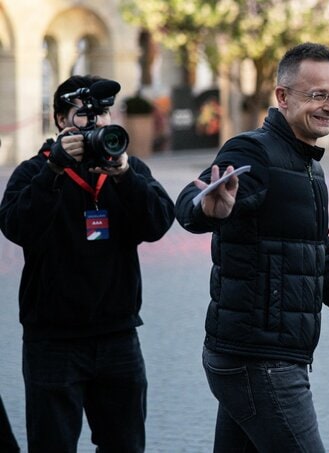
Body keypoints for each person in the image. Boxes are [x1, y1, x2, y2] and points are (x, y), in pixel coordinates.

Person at [175, 42, 329, 452]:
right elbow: (191, 202)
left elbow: (321, 261)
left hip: (260, 355)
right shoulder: (254, 151)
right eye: (318, 95)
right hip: (258, 359)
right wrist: (208, 210)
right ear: (283, 97)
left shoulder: (308, 166)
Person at [0, 74, 175, 452]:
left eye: (104, 113)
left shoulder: (126, 169)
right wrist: (54, 171)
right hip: (53, 341)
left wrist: (125, 176)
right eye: (83, 114)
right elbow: (17, 227)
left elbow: (158, 223)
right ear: (60, 119)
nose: (96, 123)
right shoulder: (33, 172)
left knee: (125, 445)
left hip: (118, 336)